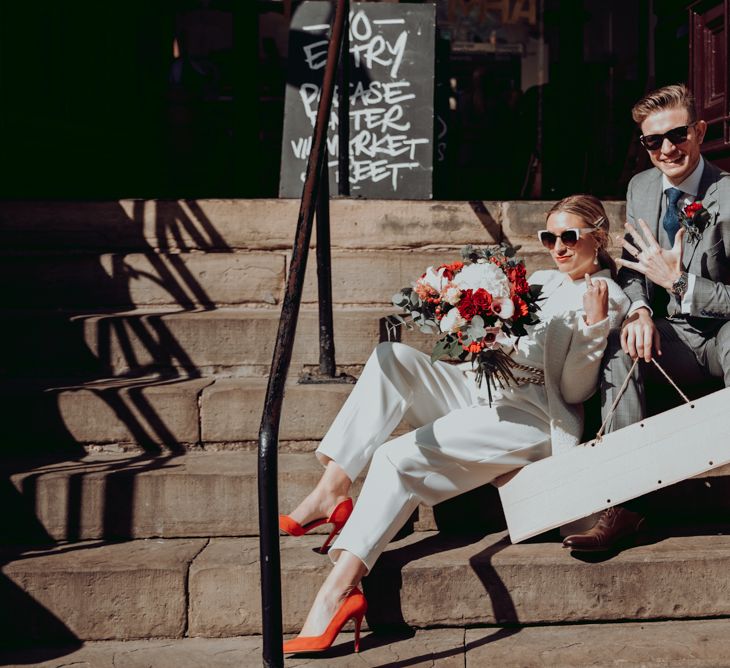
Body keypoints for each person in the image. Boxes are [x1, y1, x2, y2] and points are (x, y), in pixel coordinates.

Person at [279, 195, 630, 655]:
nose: (558, 247)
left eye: (570, 236)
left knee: (395, 457)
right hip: (482, 388)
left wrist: (594, 326)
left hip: (532, 418)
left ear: (598, 237)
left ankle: (339, 590)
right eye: (549, 237)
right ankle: (333, 486)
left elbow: (575, 390)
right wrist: (471, 322)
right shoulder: (541, 280)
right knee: (391, 358)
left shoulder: (610, 295)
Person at [563, 84, 730, 553]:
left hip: (722, 335)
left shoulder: (729, 195)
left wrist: (681, 284)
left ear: (699, 131)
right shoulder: (641, 187)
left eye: (677, 135)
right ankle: (626, 501)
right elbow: (633, 269)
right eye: (653, 141)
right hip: (671, 335)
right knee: (619, 347)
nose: (667, 149)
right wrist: (638, 309)